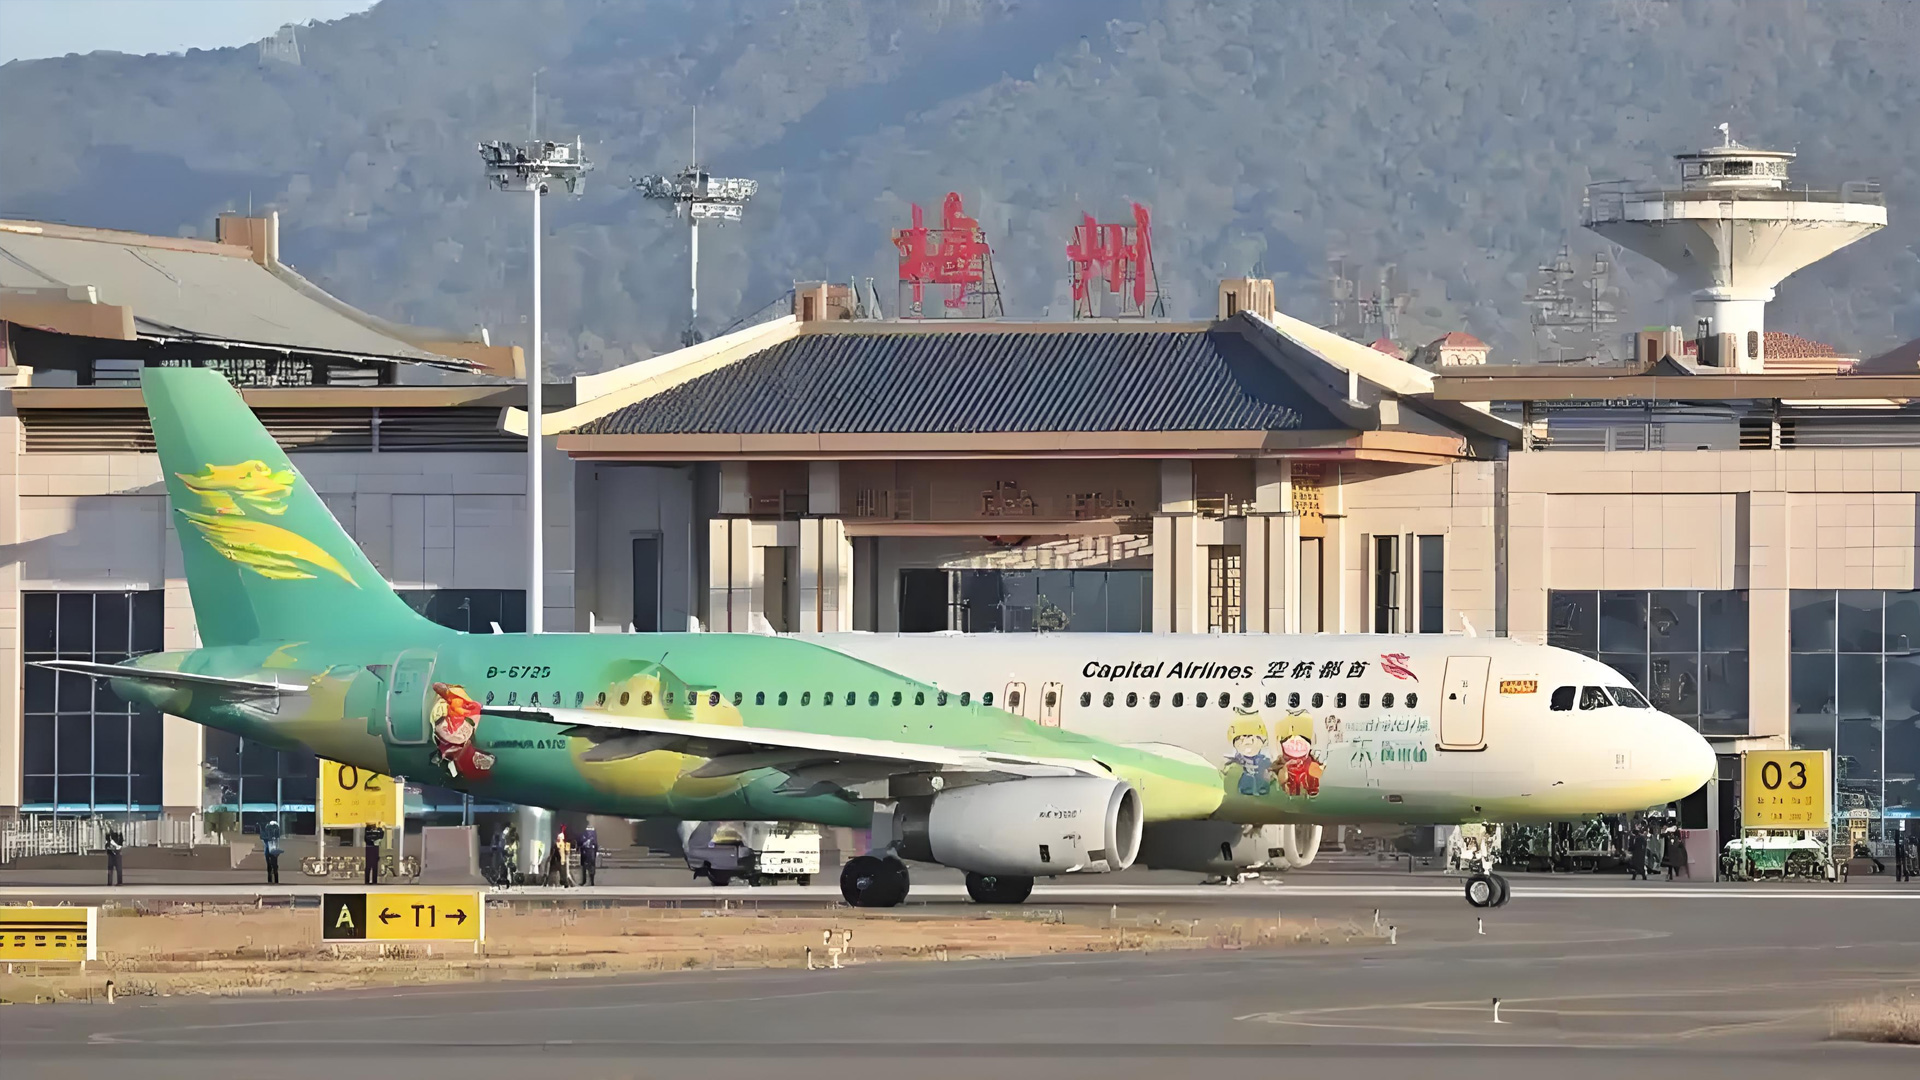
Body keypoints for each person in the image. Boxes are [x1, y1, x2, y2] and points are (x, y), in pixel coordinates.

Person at [260, 817, 283, 885]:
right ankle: (274, 876)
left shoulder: (266, 828)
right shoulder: (274, 828)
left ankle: (271, 877)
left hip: (269, 847)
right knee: (273, 862)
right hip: (272, 847)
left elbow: (263, 838)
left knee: (270, 862)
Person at [104, 821, 125, 886]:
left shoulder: (118, 837)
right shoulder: (113, 836)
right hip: (113, 854)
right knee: (111, 869)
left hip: (116, 854)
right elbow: (109, 834)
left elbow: (120, 845)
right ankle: (111, 882)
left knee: (117, 869)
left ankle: (118, 882)